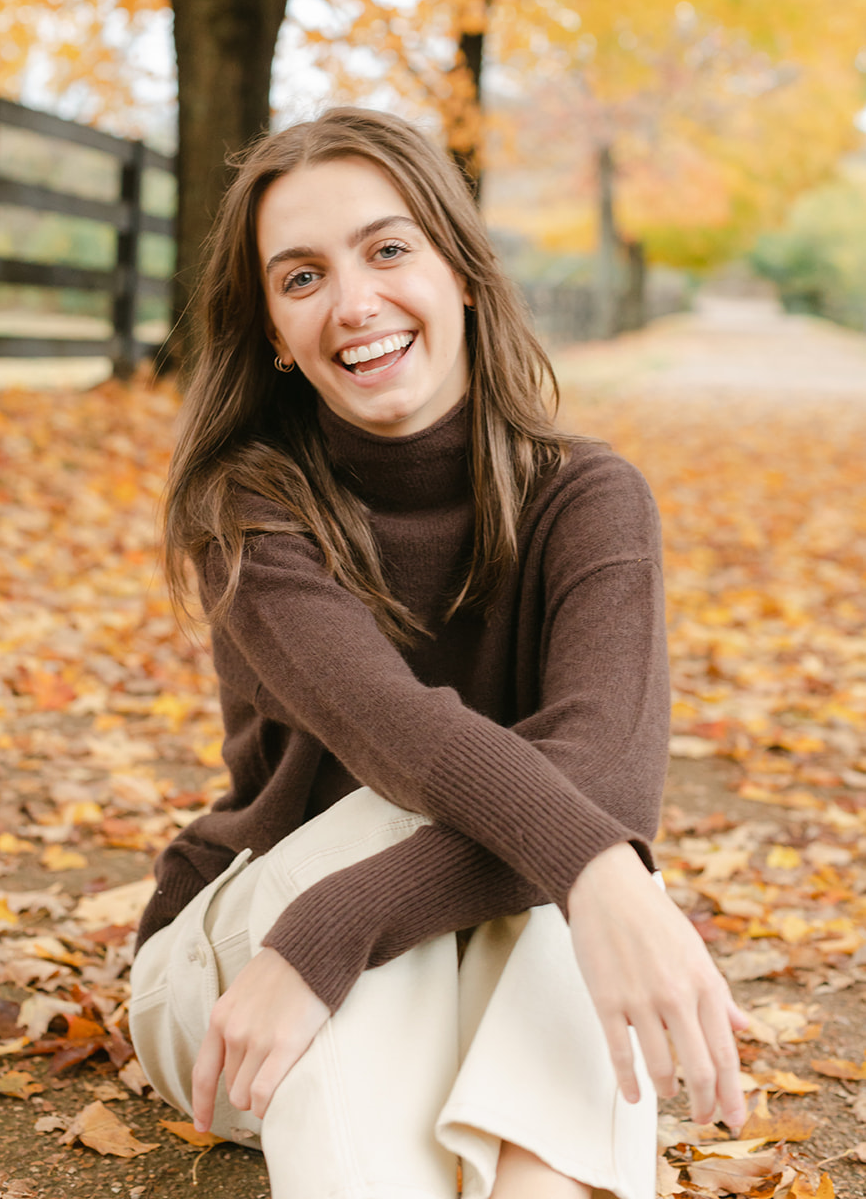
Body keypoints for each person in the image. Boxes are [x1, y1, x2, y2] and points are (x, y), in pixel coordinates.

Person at [128, 107, 747, 1199]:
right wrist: (604, 873)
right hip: (242, 987)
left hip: (404, 944)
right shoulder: (251, 507)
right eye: (303, 276)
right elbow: (401, 739)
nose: (354, 301)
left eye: (387, 248)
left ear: (461, 271)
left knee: (565, 857)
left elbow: (601, 772)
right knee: (553, 843)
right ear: (274, 329)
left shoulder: (588, 498)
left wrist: (356, 917)